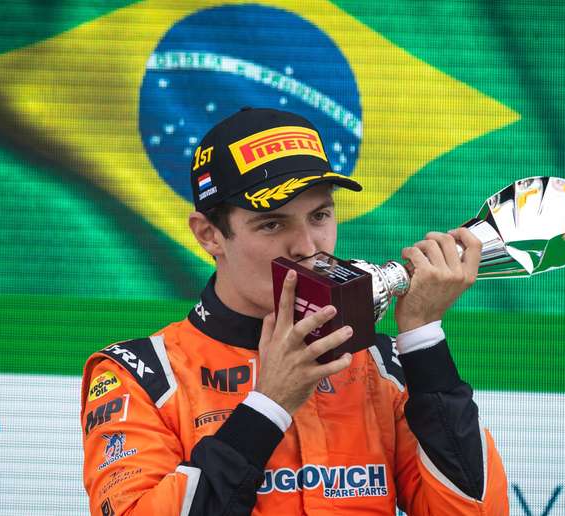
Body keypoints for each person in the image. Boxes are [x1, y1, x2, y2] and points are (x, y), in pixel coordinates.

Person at [80, 107, 509, 515]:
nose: (307, 246)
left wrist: (422, 336)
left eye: (319, 215)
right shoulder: (142, 375)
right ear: (209, 234)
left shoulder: (381, 365)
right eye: (272, 223)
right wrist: (268, 405)